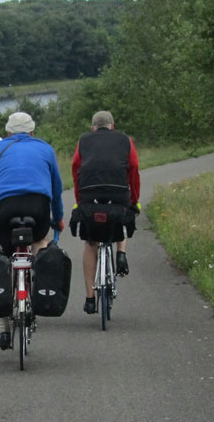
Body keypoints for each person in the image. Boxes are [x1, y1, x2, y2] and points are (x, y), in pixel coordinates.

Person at [0, 111, 64, 349]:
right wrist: (58, 218)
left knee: (5, 255)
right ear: (32, 132)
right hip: (38, 207)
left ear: (8, 133)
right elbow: (56, 189)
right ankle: (40, 286)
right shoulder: (46, 149)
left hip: (6, 208)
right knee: (40, 241)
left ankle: (4, 328)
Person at [70, 110, 140, 315]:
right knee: (122, 215)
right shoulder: (125, 140)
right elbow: (134, 168)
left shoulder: (84, 140)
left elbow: (75, 168)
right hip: (118, 196)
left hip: (89, 196)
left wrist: (79, 199)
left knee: (91, 243)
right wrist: (133, 199)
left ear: (93, 127)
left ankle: (90, 298)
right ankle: (121, 253)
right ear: (113, 125)